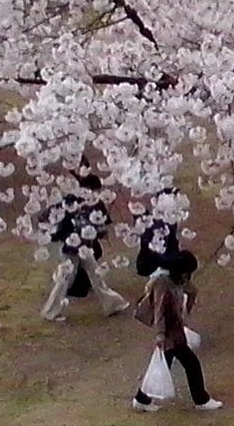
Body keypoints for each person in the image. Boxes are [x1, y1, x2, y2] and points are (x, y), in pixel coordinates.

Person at [131, 251, 220, 411]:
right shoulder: (165, 285)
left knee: (167, 363)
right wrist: (160, 334)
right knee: (190, 364)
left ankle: (142, 399)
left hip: (173, 334)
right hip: (171, 335)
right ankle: (201, 399)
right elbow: (160, 312)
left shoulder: (172, 281)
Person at [39, 175, 127, 321]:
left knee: (96, 275)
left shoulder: (92, 204)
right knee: (65, 279)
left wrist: (99, 231)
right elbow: (53, 217)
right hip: (70, 247)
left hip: (84, 247)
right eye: (94, 190)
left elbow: (98, 222)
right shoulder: (69, 201)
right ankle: (50, 311)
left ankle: (113, 303)